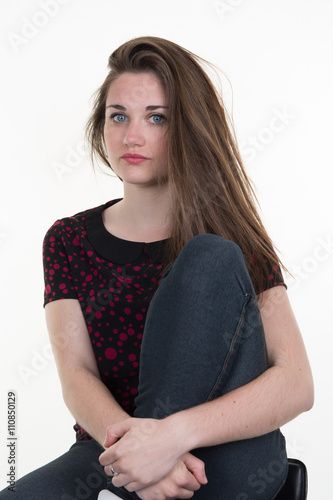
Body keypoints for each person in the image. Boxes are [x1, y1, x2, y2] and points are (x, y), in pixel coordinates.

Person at [0, 36, 314, 500]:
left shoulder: (236, 241)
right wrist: (138, 458)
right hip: (110, 453)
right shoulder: (67, 241)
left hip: (223, 455)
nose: (132, 135)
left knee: (210, 254)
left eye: (157, 118)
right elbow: (76, 374)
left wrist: (170, 439)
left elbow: (295, 384)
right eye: (119, 115)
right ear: (100, 125)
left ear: (187, 127)